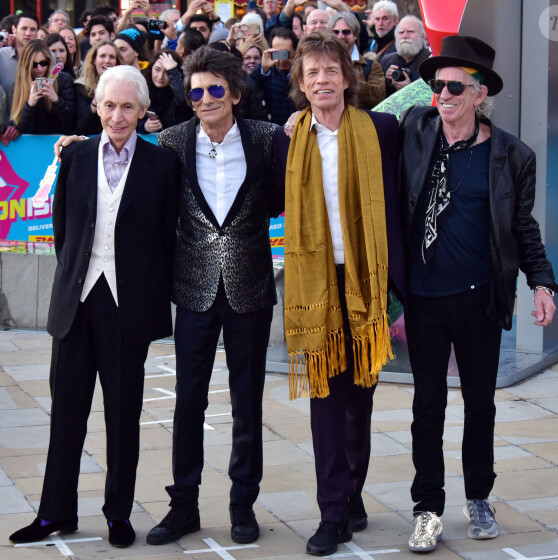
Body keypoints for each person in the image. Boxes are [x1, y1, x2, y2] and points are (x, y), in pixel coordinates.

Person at [398, 35, 558, 553]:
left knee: (479, 405)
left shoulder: (513, 155)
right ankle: (427, 509)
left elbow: (521, 227)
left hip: (478, 298)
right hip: (422, 297)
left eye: (453, 87)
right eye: (436, 86)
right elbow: (363, 119)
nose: (442, 95)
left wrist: (541, 282)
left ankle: (479, 498)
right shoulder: (415, 130)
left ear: (479, 92)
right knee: (426, 407)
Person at [8, 64, 179, 548]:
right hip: (77, 305)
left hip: (129, 309)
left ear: (143, 111)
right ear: (96, 107)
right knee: (66, 414)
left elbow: (167, 238)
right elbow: (65, 233)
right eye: (109, 105)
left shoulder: (162, 166)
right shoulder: (77, 157)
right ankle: (54, 513)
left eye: (128, 106)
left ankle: (118, 514)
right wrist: (78, 280)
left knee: (123, 418)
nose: (118, 116)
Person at [272, 30, 406, 556]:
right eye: (312, 73)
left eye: (331, 70)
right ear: (301, 85)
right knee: (326, 399)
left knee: (360, 400)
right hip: (317, 283)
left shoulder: (383, 129)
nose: (322, 80)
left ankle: (352, 492)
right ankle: (332, 511)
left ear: (347, 78)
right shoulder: (288, 138)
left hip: (368, 280)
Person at [145, 45, 281, 547]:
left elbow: (292, 194)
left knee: (247, 402)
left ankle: (242, 504)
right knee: (188, 402)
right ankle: (183, 504)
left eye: (214, 89)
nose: (203, 98)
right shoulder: (173, 143)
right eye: (194, 90)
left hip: (249, 288)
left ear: (236, 93)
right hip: (194, 288)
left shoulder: (268, 139)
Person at [9, 39, 75, 134]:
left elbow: (70, 124)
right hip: (31, 145)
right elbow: (18, 130)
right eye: (34, 65)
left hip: (58, 142)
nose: (39, 69)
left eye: (44, 63)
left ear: (49, 61)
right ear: (26, 65)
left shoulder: (63, 80)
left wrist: (56, 100)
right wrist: (30, 105)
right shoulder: (18, 86)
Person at [328, 12, 385, 109]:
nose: (340, 36)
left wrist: (349, 79)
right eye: (336, 32)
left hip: (360, 121)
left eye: (346, 32)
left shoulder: (371, 66)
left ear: (355, 35)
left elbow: (378, 97)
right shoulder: (320, 64)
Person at [250, 27, 298, 125]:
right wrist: (263, 68)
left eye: (286, 53)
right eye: (278, 54)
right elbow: (250, 87)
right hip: (273, 131)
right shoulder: (266, 73)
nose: (283, 59)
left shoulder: (303, 74)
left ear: (295, 52)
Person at [75, 40, 124, 135]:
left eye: (112, 57)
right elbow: (80, 128)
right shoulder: (81, 86)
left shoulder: (126, 86)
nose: (107, 61)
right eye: (102, 56)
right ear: (94, 60)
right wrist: (95, 101)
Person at [381, 16, 430, 98]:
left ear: (423, 36)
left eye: (410, 31)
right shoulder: (387, 61)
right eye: (401, 32)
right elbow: (376, 99)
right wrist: (385, 82)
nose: (405, 36)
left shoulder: (430, 62)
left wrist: (409, 90)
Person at [141, 50, 190, 132]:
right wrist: (143, 126)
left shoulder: (179, 87)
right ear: (151, 68)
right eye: (157, 69)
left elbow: (183, 100)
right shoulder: (142, 85)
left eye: (167, 72)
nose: (160, 77)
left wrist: (173, 73)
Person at [0, 12, 38, 116]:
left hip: (36, 129)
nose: (28, 33)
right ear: (14, 29)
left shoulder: (48, 57)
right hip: (6, 128)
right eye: (24, 28)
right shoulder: (2, 56)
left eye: (33, 29)